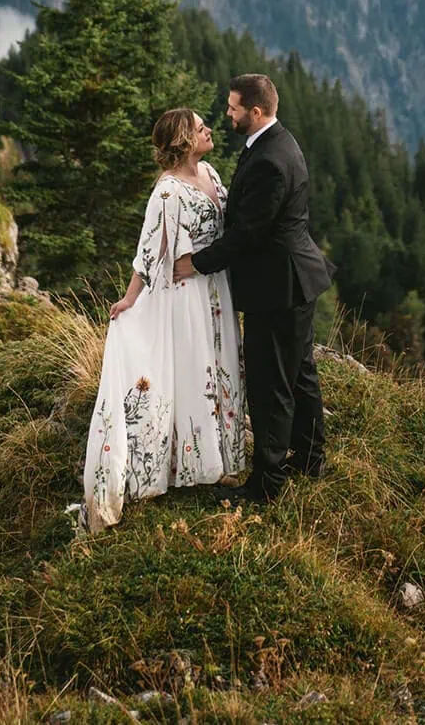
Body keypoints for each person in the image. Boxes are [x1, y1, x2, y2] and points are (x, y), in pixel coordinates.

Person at [81, 108, 246, 532]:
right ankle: (191, 464)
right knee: (196, 371)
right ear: (184, 140)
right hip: (188, 295)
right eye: (200, 127)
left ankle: (222, 458)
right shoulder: (168, 192)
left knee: (223, 364)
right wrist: (129, 298)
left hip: (216, 286)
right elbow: (150, 251)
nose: (208, 129)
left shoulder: (209, 172)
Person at [173, 74, 332, 503]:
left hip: (277, 286)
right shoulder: (276, 142)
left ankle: (267, 484)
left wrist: (195, 264)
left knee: (270, 384)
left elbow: (246, 234)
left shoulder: (268, 160)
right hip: (293, 279)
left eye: (233, 108)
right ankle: (310, 459)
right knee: (299, 373)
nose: (227, 114)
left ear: (255, 112)